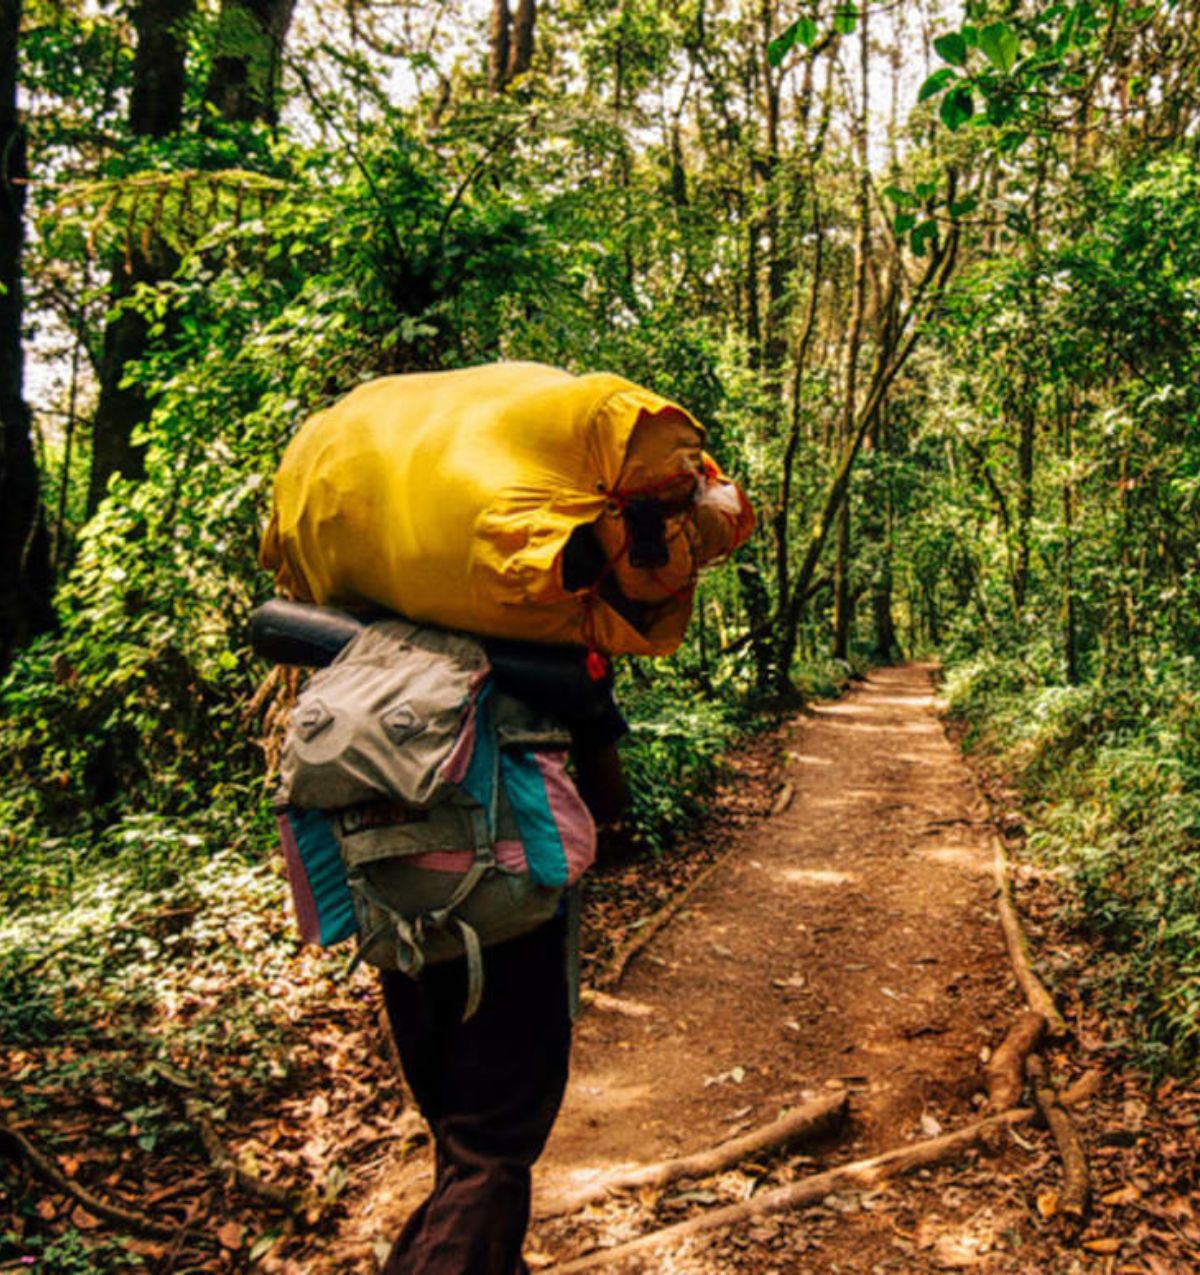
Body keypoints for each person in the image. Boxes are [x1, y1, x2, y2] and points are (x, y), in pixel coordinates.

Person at [376, 646, 630, 1275]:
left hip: (396, 913)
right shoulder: (538, 638)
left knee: (458, 1134)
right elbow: (608, 793)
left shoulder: (366, 644)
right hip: (510, 921)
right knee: (494, 1146)